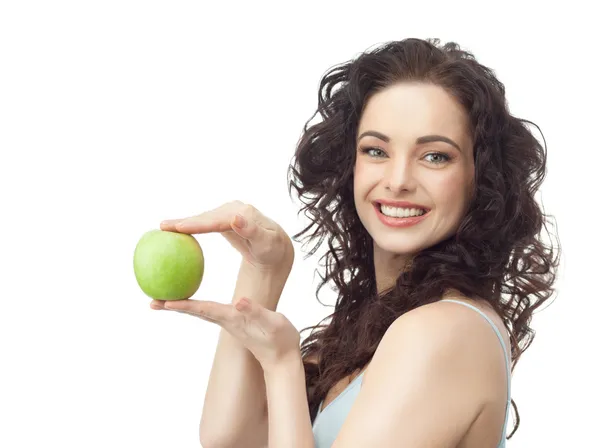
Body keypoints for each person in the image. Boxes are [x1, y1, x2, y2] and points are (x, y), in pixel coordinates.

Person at [152, 37, 561, 448]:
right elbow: (231, 439)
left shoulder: (445, 331)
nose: (398, 180)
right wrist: (263, 270)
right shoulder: (368, 328)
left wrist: (282, 365)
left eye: (435, 156)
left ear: (481, 178)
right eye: (376, 150)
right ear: (349, 165)